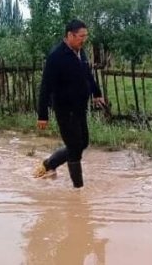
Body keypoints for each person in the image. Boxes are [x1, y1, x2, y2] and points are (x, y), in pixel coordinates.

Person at [33, 19, 105, 188]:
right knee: (74, 147)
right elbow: (45, 87)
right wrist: (42, 115)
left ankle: (49, 164)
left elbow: (87, 74)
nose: (84, 39)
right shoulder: (56, 57)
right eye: (81, 36)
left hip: (80, 107)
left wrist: (97, 93)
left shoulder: (81, 52)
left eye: (85, 36)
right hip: (64, 108)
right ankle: (78, 190)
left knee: (83, 143)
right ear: (70, 35)